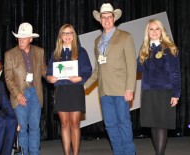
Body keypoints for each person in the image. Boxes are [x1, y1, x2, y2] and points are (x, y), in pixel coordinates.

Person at [84, 3, 136, 155]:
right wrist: (84, 86)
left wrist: (130, 88)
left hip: (121, 89)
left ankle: (129, 153)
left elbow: (131, 65)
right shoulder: (97, 41)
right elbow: (97, 69)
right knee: (110, 125)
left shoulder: (125, 36)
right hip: (104, 90)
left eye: (109, 17)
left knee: (124, 123)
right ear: (100, 20)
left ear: (114, 18)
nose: (106, 20)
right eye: (103, 17)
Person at [46, 24, 92, 155]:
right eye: (64, 33)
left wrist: (80, 78)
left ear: (74, 35)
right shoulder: (56, 53)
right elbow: (48, 72)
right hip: (61, 91)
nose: (67, 36)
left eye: (70, 33)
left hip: (76, 90)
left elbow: (88, 70)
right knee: (64, 124)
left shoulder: (81, 51)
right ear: (60, 36)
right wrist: (50, 78)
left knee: (75, 123)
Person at [137, 19, 181, 155]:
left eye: (157, 29)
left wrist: (176, 94)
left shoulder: (169, 48)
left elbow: (175, 73)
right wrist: (143, 54)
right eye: (151, 29)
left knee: (161, 125)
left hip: (164, 92)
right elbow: (138, 69)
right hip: (148, 92)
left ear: (162, 31)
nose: (154, 32)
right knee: (153, 125)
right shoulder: (145, 49)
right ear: (147, 32)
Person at [4, 22, 46, 155]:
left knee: (35, 128)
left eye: (24, 37)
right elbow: (8, 78)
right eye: (19, 37)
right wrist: (17, 95)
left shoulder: (40, 52)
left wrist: (57, 76)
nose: (20, 40)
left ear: (31, 39)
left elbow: (44, 70)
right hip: (20, 94)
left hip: (35, 93)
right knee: (21, 129)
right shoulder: (10, 54)